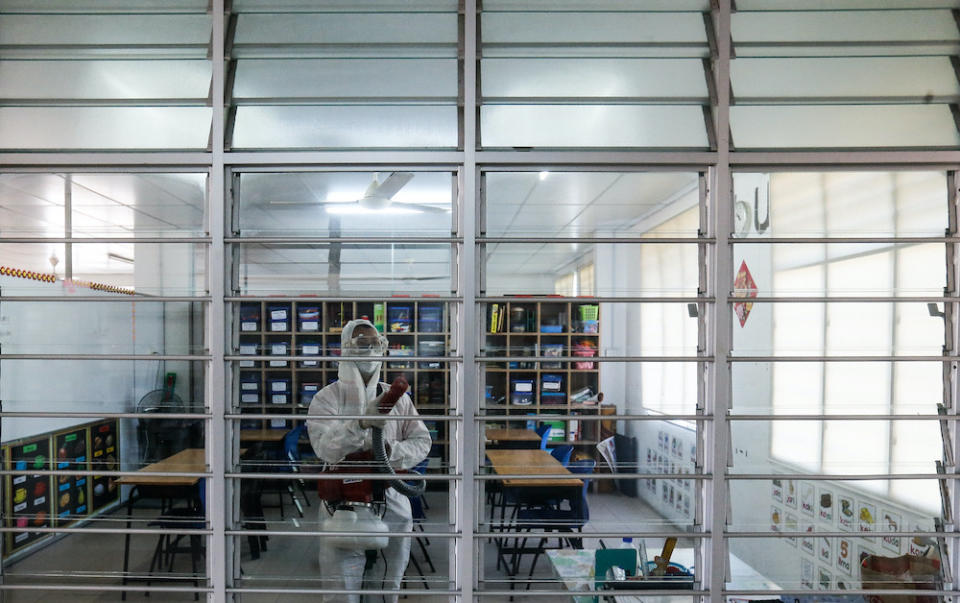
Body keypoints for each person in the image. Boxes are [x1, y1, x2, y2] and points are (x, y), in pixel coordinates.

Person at [306, 319, 431, 603]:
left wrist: (387, 451)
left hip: (392, 500)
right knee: (342, 591)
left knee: (388, 587)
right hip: (342, 507)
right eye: (363, 344)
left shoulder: (397, 399)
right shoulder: (327, 398)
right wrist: (360, 424)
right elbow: (325, 448)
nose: (370, 350)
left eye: (376, 344)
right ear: (345, 349)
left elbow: (422, 442)